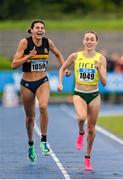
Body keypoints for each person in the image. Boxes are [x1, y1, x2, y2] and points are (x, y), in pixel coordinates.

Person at [11, 20, 70, 162]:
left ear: (44, 31)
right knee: (30, 117)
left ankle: (44, 141)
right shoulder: (24, 43)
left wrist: (64, 67)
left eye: (42, 28)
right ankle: (31, 144)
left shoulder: (47, 42)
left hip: (42, 81)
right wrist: (27, 57)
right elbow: (14, 64)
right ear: (31, 30)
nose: (40, 30)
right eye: (37, 27)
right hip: (26, 83)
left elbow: (58, 54)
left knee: (43, 106)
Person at [57, 31, 107, 171]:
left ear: (96, 42)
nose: (89, 41)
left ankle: (87, 157)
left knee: (91, 129)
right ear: (83, 41)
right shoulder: (75, 56)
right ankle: (80, 132)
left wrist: (99, 69)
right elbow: (62, 68)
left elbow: (104, 82)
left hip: (94, 94)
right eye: (87, 39)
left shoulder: (101, 58)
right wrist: (60, 82)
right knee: (81, 118)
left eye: (92, 39)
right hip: (79, 93)